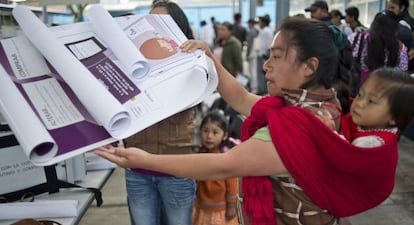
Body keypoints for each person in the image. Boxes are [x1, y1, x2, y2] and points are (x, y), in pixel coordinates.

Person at [96, 17, 398, 225]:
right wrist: (208, 58)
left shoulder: (299, 127)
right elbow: (240, 97)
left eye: (277, 57)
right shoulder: (319, 104)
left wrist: (145, 160)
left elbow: (221, 165)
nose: (266, 65)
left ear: (309, 67)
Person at [123, 1, 196, 225]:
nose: (155, 28)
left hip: (176, 168)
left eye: (163, 22)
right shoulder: (131, 62)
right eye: (151, 21)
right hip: (137, 168)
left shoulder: (193, 60)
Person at [342, 67, 414, 147]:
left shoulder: (369, 143)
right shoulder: (368, 122)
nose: (360, 103)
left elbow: (342, 155)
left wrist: (331, 130)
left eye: (371, 101)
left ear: (394, 118)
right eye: (360, 95)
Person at [193, 110, 239, 225]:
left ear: (225, 135)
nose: (209, 136)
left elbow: (232, 185)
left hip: (220, 211)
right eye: (205, 131)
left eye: (215, 132)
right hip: (201, 208)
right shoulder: (200, 152)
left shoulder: (225, 157)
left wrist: (232, 207)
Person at [349, 11, 409, 86]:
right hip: (385, 90)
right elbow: (402, 72)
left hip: (359, 87)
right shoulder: (399, 46)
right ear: (395, 29)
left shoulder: (357, 38)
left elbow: (347, 58)